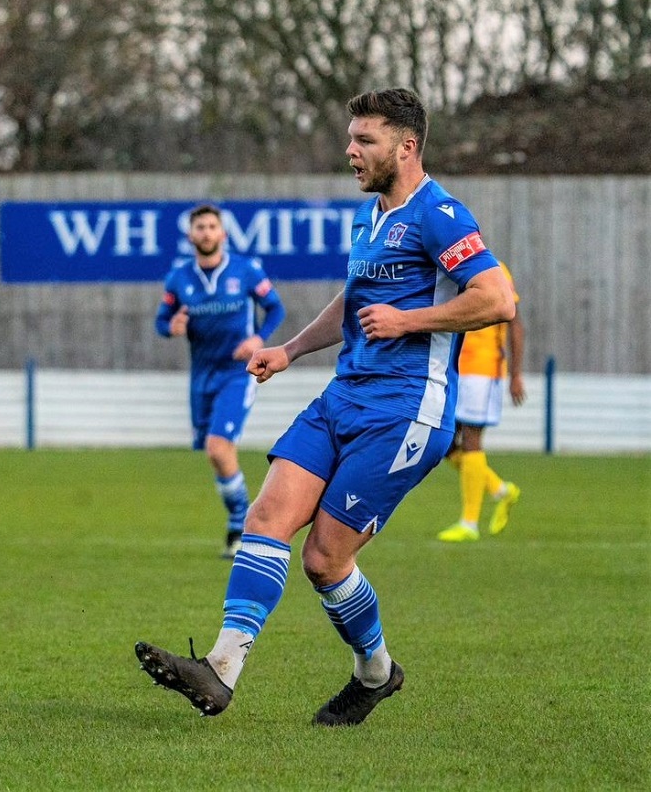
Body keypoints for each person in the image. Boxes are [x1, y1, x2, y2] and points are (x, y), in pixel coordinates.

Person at [135, 88, 516, 726]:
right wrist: (290, 349)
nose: (350, 150)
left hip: (405, 412)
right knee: (266, 517)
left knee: (324, 559)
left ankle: (374, 672)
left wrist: (410, 319)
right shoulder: (370, 219)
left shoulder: (440, 214)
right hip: (342, 397)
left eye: (365, 140)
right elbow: (351, 301)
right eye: (352, 137)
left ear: (407, 146)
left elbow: (499, 299)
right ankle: (221, 671)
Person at [155, 203, 286, 558]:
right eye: (200, 227)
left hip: (236, 373)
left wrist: (259, 338)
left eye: (212, 226)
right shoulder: (179, 278)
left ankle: (243, 525)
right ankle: (237, 523)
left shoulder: (245, 270)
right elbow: (161, 320)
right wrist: (172, 327)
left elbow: (275, 307)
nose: (207, 232)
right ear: (190, 235)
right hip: (201, 376)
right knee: (216, 454)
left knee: (218, 447)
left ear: (223, 234)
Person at [438, 264, 526, 542]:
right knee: (444, 444)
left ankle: (469, 523)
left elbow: (515, 323)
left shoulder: (495, 269)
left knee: (472, 440)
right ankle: (501, 490)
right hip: (452, 367)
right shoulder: (446, 269)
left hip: (484, 370)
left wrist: (516, 374)